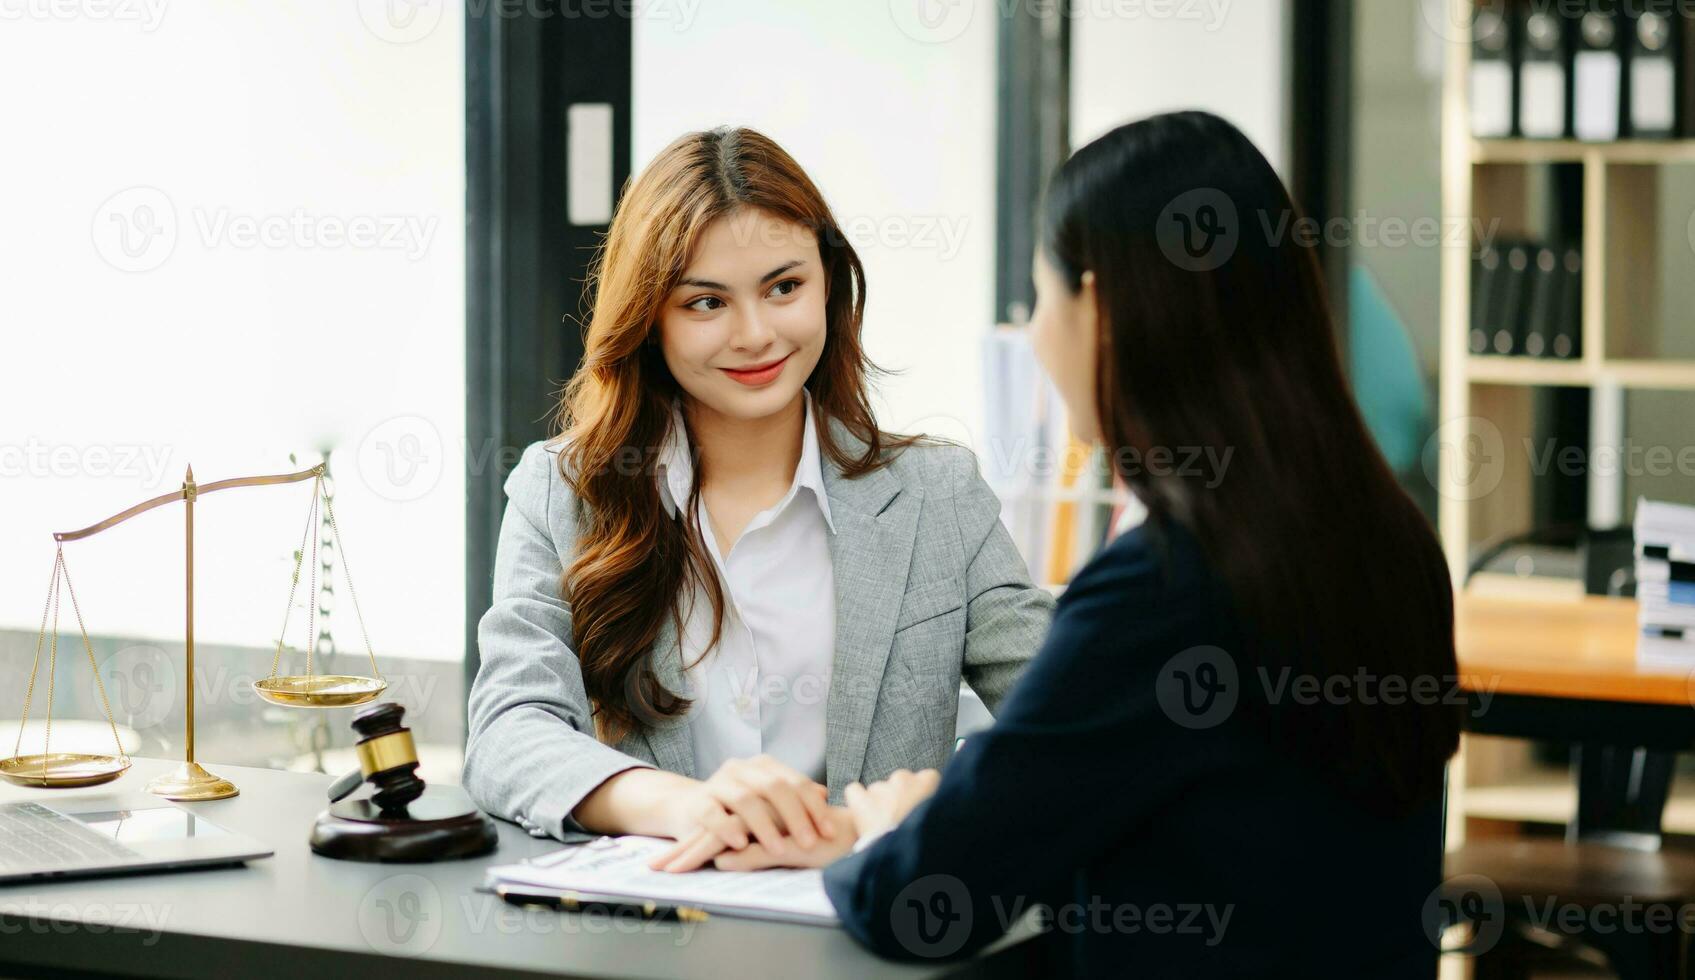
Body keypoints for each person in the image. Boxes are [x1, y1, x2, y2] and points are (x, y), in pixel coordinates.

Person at [816, 111, 1462, 976]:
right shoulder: (1387, 537)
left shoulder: (1164, 585)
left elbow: (921, 900)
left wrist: (886, 828)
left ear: (1101, 310)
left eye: (1040, 296)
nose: (1037, 333)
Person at [464, 126, 1054, 865]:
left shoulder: (938, 495)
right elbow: (507, 731)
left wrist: (934, 804)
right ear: (648, 319)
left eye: (784, 287)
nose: (755, 334)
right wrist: (684, 805)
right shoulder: (562, 489)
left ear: (829, 284)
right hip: (648, 932)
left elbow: (1069, 720)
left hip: (873, 936)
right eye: (705, 303)